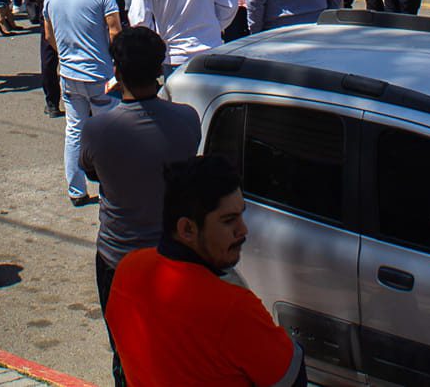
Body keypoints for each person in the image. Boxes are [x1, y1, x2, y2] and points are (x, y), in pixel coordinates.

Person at [104, 155, 307, 387]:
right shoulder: (233, 308)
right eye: (229, 220)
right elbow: (291, 378)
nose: (243, 230)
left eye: (241, 214)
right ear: (187, 229)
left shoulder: (126, 272)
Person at [80, 25, 201, 387]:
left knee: (127, 357)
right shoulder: (187, 119)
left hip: (120, 259)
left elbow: (90, 170)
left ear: (117, 71)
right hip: (175, 259)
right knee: (176, 354)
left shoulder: (98, 129)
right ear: (160, 70)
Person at [44, 0, 121, 206]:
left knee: (74, 130)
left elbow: (48, 35)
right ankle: (108, 188)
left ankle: (76, 189)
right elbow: (115, 29)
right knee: (108, 132)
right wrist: (116, 62)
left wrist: (65, 54)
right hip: (99, 74)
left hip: (69, 74)